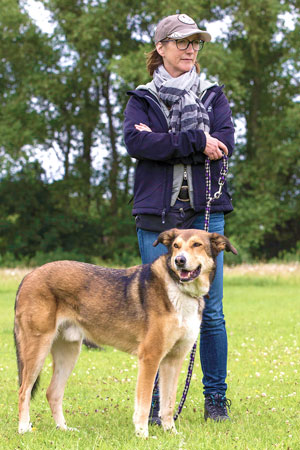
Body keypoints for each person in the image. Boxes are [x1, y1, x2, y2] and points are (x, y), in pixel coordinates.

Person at [123, 13, 234, 423]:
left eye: (196, 43)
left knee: (212, 312)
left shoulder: (213, 95)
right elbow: (136, 142)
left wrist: (164, 142)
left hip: (207, 215)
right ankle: (152, 407)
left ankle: (216, 400)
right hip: (157, 217)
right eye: (183, 42)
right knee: (154, 312)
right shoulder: (142, 97)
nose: (191, 49)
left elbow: (225, 144)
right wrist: (194, 140)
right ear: (162, 48)